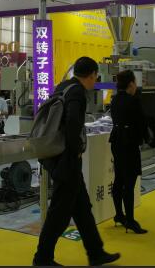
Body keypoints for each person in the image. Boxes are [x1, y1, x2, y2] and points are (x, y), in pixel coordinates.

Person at [33, 57, 120, 267]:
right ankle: (42, 258)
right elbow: (73, 123)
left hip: (55, 155)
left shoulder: (63, 87)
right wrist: (77, 149)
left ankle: (96, 253)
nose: (95, 80)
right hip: (67, 160)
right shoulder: (77, 93)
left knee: (82, 208)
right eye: (96, 77)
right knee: (59, 213)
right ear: (92, 75)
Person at [109, 70, 148, 234]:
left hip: (116, 140)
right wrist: (147, 138)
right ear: (131, 84)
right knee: (130, 182)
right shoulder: (134, 101)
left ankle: (119, 214)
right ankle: (130, 220)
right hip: (129, 142)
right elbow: (141, 122)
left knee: (119, 178)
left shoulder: (114, 100)